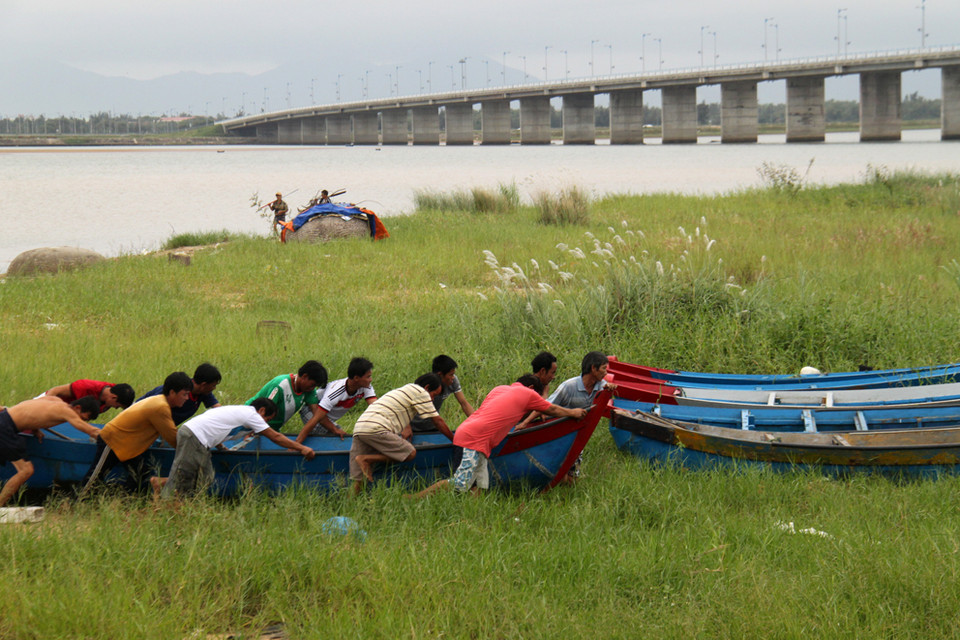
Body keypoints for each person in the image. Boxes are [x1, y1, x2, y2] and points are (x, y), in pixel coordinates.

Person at [410, 374, 587, 497]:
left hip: (473, 437)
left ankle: (472, 518)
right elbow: (552, 409)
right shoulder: (527, 394)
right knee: (459, 482)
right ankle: (414, 498)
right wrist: (573, 413)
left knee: (480, 486)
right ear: (532, 388)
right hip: (473, 440)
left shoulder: (500, 389)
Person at [154, 398, 315, 499]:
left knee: (205, 477)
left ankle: (165, 487)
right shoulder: (252, 415)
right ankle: (166, 502)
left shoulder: (241, 412)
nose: (265, 422)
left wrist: (220, 446)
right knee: (185, 475)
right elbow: (275, 437)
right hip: (194, 436)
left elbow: (217, 426)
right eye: (267, 418)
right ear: (262, 411)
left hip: (196, 436)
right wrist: (301, 448)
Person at [80, 372, 193, 494]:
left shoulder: (159, 401)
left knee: (141, 477)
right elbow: (171, 436)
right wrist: (190, 451)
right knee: (94, 478)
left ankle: (123, 500)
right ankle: (77, 501)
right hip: (113, 440)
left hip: (128, 446)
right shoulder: (160, 407)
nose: (187, 398)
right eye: (184, 394)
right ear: (172, 392)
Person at [349, 373, 455, 495]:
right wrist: (454, 439)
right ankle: (366, 459)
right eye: (433, 395)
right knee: (410, 452)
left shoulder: (404, 390)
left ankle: (350, 503)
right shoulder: (421, 392)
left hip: (360, 428)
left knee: (359, 479)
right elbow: (437, 421)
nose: (432, 399)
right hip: (377, 428)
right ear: (426, 388)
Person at [0, 396, 101, 507]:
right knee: (26, 471)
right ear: (77, 407)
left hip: (4, 418)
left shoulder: (55, 400)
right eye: (84, 418)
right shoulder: (67, 411)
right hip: (5, 428)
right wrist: (110, 436)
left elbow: (31, 409)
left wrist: (35, 428)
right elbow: (89, 430)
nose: (83, 421)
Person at [541, 351, 617, 482]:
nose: (606, 373)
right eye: (604, 368)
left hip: (577, 436)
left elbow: (607, 390)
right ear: (593, 368)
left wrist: (610, 388)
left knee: (571, 479)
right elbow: (546, 407)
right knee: (556, 475)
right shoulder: (568, 386)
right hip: (558, 435)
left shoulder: (601, 386)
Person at [297, 357, 376, 442]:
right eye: (368, 377)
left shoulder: (366, 387)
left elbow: (376, 408)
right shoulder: (335, 393)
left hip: (324, 415)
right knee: (334, 436)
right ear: (356, 378)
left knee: (338, 435)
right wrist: (297, 444)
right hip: (312, 410)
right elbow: (317, 418)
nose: (370, 380)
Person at [246, 360, 328, 434]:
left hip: (271, 429)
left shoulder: (308, 391)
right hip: (250, 424)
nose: (313, 388)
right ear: (304, 377)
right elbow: (263, 413)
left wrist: (335, 430)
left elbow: (317, 414)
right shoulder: (280, 385)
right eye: (312, 385)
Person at [136, 362, 222, 425]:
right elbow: (145, 409)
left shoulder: (204, 393)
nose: (214, 388)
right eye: (213, 385)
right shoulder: (175, 388)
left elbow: (219, 410)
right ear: (203, 385)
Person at [410, 355, 474, 432]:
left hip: (432, 426)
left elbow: (464, 403)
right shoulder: (425, 384)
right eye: (450, 375)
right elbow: (404, 405)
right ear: (440, 375)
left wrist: (477, 422)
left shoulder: (452, 381)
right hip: (413, 427)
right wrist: (406, 427)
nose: (453, 377)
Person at [43, 379, 135, 414]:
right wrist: (42, 408)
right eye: (117, 406)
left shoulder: (114, 394)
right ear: (113, 397)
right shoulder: (86, 387)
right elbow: (55, 390)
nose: (115, 408)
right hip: (48, 404)